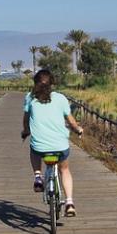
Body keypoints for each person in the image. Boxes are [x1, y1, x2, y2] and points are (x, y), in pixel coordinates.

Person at [21, 69, 84, 216]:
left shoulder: (30, 98)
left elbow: (26, 119)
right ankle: (69, 202)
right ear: (52, 84)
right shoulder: (61, 98)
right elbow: (71, 120)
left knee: (34, 148)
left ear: (35, 83)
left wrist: (25, 131)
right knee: (65, 170)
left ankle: (37, 175)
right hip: (60, 146)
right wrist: (78, 130)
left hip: (40, 147)